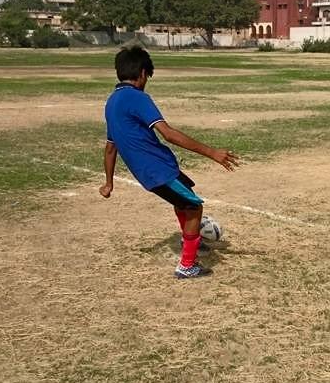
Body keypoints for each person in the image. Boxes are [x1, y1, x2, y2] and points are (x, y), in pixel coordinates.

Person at [99, 46, 240, 279]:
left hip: (153, 170)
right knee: (194, 207)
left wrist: (109, 183)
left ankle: (192, 240)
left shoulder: (112, 102)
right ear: (143, 73)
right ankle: (187, 265)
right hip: (157, 170)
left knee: (185, 197)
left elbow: (110, 147)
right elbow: (169, 134)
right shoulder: (137, 97)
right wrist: (212, 152)